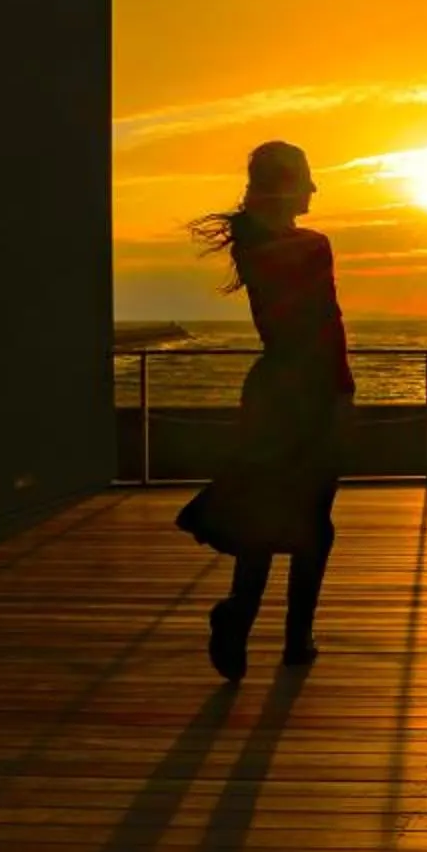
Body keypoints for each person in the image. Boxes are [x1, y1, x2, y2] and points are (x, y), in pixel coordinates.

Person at [175, 141, 352, 679]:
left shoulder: (253, 245)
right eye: (308, 178)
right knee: (314, 520)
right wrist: (341, 394)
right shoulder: (311, 247)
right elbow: (327, 327)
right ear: (288, 184)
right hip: (310, 392)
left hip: (273, 389)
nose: (316, 188)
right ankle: (294, 637)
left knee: (264, 512)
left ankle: (240, 618)